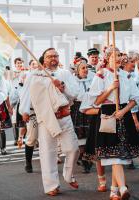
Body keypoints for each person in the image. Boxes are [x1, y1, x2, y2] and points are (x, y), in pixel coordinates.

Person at [88, 47, 139, 200]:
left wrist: (124, 111)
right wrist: (111, 88)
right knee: (114, 156)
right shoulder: (101, 75)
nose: (117, 58)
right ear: (107, 58)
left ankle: (113, 191)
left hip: (123, 113)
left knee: (118, 156)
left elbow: (134, 98)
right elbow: (96, 101)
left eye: (119, 55)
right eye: (114, 56)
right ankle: (123, 188)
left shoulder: (126, 75)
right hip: (107, 113)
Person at [27, 48, 80, 196]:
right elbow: (30, 96)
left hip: (64, 116)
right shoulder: (35, 76)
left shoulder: (65, 73)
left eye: (56, 56)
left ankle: (68, 175)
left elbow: (76, 93)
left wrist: (63, 88)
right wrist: (24, 112)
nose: (53, 58)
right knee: (48, 152)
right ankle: (51, 186)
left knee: (73, 148)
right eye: (50, 56)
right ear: (43, 59)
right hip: (46, 118)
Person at [70, 60, 95, 173]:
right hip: (78, 108)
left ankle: (87, 159)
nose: (85, 70)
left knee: (90, 134)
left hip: (90, 107)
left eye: (86, 68)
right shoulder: (73, 81)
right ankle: (84, 159)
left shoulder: (93, 78)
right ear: (77, 70)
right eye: (83, 68)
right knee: (80, 136)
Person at [18, 59, 41, 173]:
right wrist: (24, 111)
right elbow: (25, 95)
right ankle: (28, 162)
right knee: (31, 138)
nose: (36, 67)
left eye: (38, 65)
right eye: (34, 65)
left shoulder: (48, 75)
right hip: (33, 112)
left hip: (45, 112)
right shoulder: (30, 77)